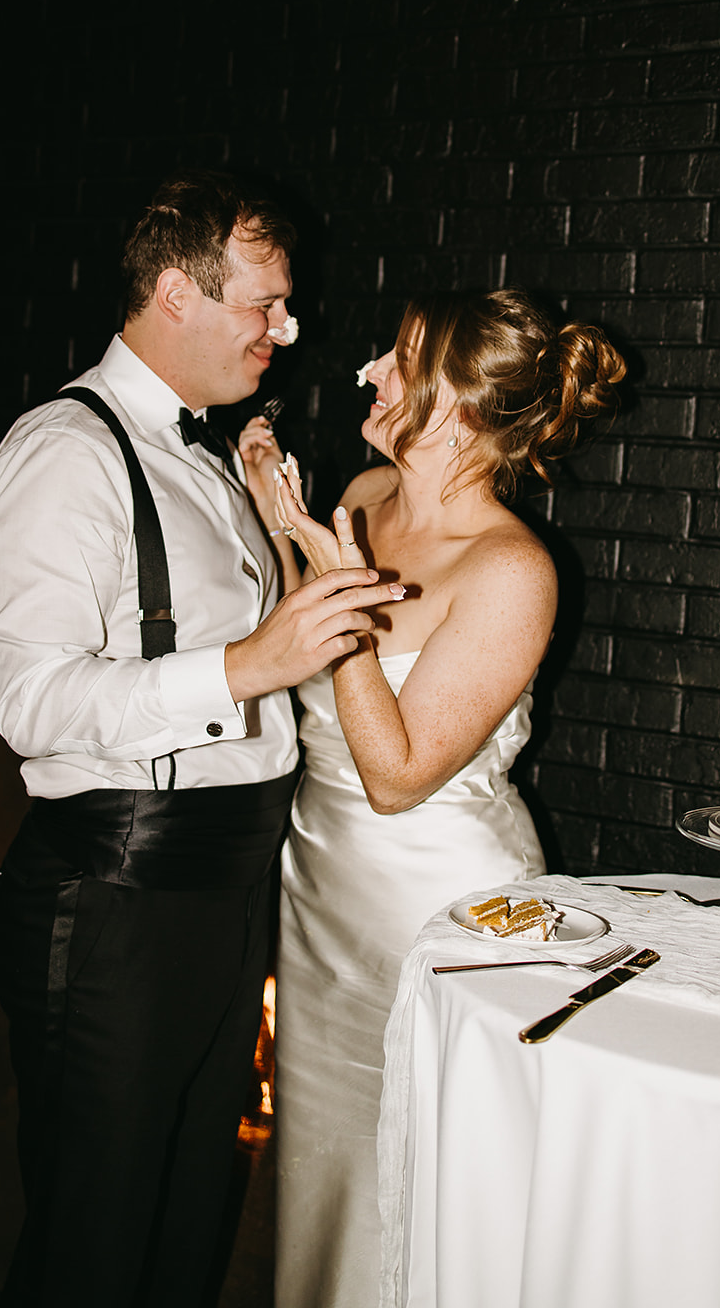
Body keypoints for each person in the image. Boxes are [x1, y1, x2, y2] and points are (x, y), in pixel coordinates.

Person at [0, 169, 404, 1308]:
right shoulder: (66, 452)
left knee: (179, 1230)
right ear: (174, 292)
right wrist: (250, 664)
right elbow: (35, 702)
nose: (285, 329)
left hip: (219, 890)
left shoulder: (206, 454)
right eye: (262, 303)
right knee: (94, 1244)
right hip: (114, 893)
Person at [248, 288, 626, 1308]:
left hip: (435, 912)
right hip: (320, 889)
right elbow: (309, 673)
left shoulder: (511, 568)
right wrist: (285, 526)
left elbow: (398, 772)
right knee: (326, 1167)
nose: (371, 370)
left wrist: (339, 590)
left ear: (457, 402)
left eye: (402, 361)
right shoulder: (364, 495)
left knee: (420, 1174)